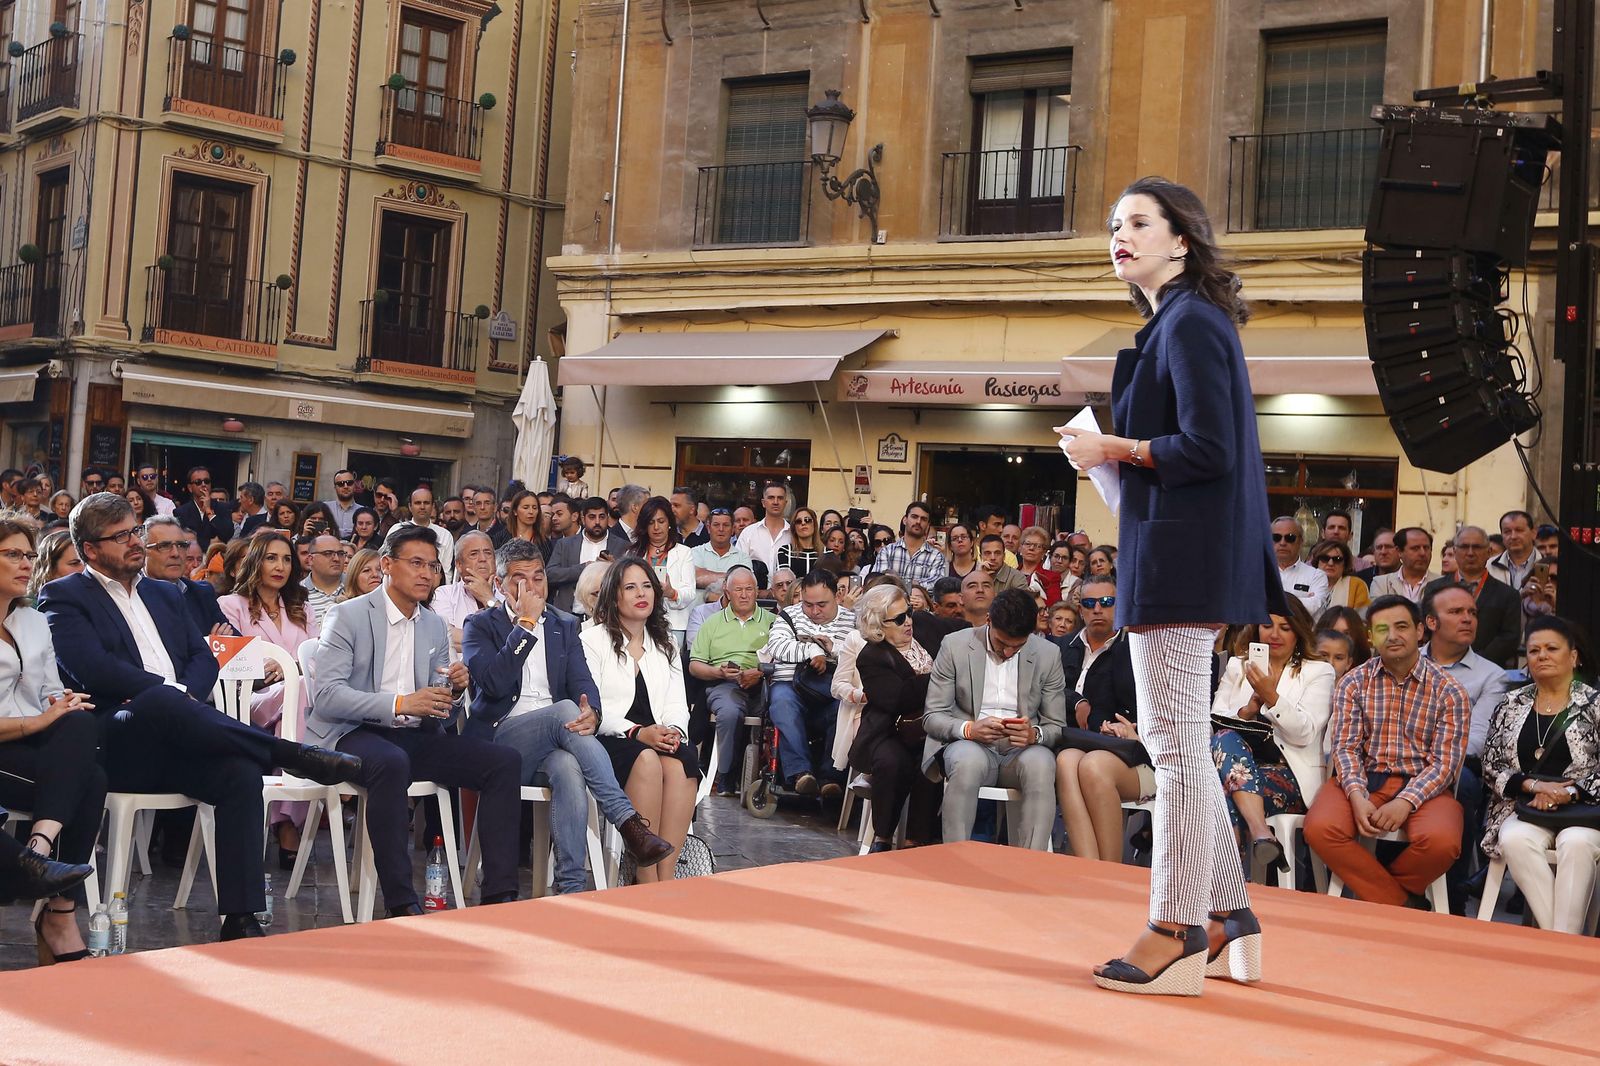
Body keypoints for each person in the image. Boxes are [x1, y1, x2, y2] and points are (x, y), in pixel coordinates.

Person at [1057, 177, 1283, 995]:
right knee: (1179, 745)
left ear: (1181, 240)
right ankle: (1227, 914)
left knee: (1179, 753)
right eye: (1115, 224)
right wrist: (1117, 451)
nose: (1120, 235)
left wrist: (1115, 450)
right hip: (1178, 555)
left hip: (1184, 562)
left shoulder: (1188, 320)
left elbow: (1209, 448)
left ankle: (1177, 926)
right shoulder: (1177, 322)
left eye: (1140, 223)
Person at [39, 493, 361, 940]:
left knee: (238, 774)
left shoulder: (164, 593)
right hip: (118, 739)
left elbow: (203, 654)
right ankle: (290, 753)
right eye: (121, 536)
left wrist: (184, 696)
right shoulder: (63, 595)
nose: (135, 542)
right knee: (156, 699)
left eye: (135, 531)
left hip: (183, 732)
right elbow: (92, 668)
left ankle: (241, 918)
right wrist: (171, 695)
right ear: (90, 550)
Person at [307, 525, 521, 916]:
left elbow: (439, 708)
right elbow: (328, 696)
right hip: (352, 731)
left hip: (413, 733)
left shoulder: (434, 624)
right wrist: (402, 702)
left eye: (433, 566)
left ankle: (499, 897)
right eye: (416, 563)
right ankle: (402, 903)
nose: (426, 573)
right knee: (391, 762)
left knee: (502, 761)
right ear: (387, 564)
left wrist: (454, 690)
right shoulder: (348, 615)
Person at [462, 541, 674, 893]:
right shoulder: (480, 625)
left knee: (568, 767)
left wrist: (592, 714)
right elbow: (493, 684)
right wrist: (525, 626)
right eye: (520, 579)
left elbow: (583, 687)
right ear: (499, 585)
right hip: (501, 742)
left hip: (556, 743)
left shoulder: (564, 624)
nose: (532, 588)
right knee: (564, 710)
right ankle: (627, 821)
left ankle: (570, 887)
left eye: (539, 578)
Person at [1304, 595, 1468, 909]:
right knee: (1320, 828)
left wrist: (1406, 801)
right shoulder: (1354, 682)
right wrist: (1355, 794)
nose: (1392, 636)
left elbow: (1446, 763)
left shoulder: (1449, 689)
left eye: (1402, 626)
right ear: (1371, 637)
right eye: (1382, 629)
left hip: (1424, 785)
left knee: (1442, 843)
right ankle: (1403, 903)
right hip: (1364, 777)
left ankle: (1384, 896)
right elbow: (1345, 746)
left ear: (1421, 631)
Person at [0, 514, 107, 963]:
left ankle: (38, 850)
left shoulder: (31, 620)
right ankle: (58, 914)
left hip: (31, 740)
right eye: (11, 554)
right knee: (92, 780)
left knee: (82, 721)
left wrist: (61, 701)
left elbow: (45, 688)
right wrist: (40, 723)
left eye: (29, 554)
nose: (26, 563)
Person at [581, 559, 700, 882]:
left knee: (682, 763)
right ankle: (645, 880)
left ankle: (667, 875)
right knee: (646, 760)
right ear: (613, 596)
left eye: (646, 586)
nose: (641, 594)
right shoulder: (593, 640)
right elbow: (594, 707)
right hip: (612, 737)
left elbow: (677, 703)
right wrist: (637, 732)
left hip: (657, 734)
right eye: (630, 587)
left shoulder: (666, 644)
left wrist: (673, 731)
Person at [1479, 615, 1600, 934]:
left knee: (1576, 843)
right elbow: (1490, 766)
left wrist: (1569, 792)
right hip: (1524, 807)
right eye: (1534, 650)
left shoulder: (1595, 704)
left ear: (1573, 656)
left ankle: (1557, 942)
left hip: (1585, 811)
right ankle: (1565, 942)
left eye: (1551, 648)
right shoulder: (1510, 703)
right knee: (1514, 839)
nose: (1542, 655)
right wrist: (1534, 786)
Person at [923, 588, 1064, 850]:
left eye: (1018, 646)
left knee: (1042, 763)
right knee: (966, 761)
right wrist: (968, 730)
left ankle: (1030, 865)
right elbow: (932, 716)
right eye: (1002, 643)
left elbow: (1056, 726)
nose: (1009, 652)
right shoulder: (954, 645)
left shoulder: (1048, 654)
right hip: (970, 744)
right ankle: (955, 860)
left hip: (1021, 751)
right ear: (988, 620)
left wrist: (1035, 734)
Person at [1209, 600, 1335, 883]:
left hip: (1289, 773)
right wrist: (1248, 711)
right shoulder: (1237, 667)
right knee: (1225, 738)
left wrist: (1271, 697)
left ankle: (1225, 892)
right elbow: (1216, 721)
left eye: (1285, 628)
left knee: (1220, 795)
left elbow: (1304, 733)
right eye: (1267, 626)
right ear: (1256, 628)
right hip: (1239, 766)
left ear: (1298, 632)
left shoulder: (1318, 672)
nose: (1274, 634)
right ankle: (1261, 834)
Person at [217, 530, 320, 870]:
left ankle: (286, 817)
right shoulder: (231, 605)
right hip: (247, 700)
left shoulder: (302, 608)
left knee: (301, 691)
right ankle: (289, 821)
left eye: (287, 559)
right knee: (301, 691)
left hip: (297, 703)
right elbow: (228, 664)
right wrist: (276, 670)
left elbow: (318, 657)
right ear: (255, 562)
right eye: (271, 558)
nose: (280, 566)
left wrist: (288, 666)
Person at [1418, 582, 1512, 910]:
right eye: (1456, 612)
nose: (1468, 619)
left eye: (1472, 612)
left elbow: (1474, 740)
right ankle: (1400, 889)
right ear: (1431, 622)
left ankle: (1452, 896)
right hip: (1396, 762)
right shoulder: (1405, 661)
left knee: (1464, 787)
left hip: (1455, 769)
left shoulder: (1491, 676)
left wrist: (1419, 755)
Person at [1055, 575, 1150, 865]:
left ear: (1119, 607)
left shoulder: (1137, 649)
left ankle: (1109, 869)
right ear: (1080, 609)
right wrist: (1078, 702)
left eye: (1107, 602)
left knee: (1092, 765)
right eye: (1089, 603)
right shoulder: (1061, 647)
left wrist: (1131, 728)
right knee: (1067, 760)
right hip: (1081, 743)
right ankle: (1089, 867)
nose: (1098, 609)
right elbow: (1047, 690)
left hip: (1137, 751)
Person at [851, 585, 942, 851]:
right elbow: (897, 699)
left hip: (931, 726)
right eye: (900, 618)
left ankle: (917, 840)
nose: (909, 622)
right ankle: (883, 837)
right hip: (890, 729)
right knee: (892, 761)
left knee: (933, 759)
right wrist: (937, 678)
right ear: (879, 624)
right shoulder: (871, 656)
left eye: (909, 613)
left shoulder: (925, 631)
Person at [761, 567, 856, 797]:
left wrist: (832, 649)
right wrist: (812, 650)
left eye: (821, 605)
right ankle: (800, 774)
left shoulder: (854, 621)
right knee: (782, 702)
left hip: (833, 689)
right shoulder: (790, 615)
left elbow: (863, 651)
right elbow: (777, 646)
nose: (814, 611)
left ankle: (831, 777)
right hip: (791, 686)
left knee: (845, 709)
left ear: (838, 596)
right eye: (808, 604)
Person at [687, 567, 775, 792]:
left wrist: (760, 672)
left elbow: (784, 660)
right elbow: (694, 665)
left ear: (757, 591)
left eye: (749, 589)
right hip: (724, 682)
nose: (744, 595)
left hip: (765, 681)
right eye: (738, 589)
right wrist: (719, 672)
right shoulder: (712, 623)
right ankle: (725, 775)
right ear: (727, 591)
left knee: (782, 707)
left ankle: (774, 779)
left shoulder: (774, 622)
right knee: (728, 711)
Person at [1423, 526, 1522, 668]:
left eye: (1476, 547)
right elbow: (1428, 627)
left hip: (1488, 669)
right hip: (1440, 666)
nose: (1470, 553)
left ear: (1489, 552)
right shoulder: (1435, 588)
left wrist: (1475, 662)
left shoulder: (1507, 594)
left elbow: (1509, 637)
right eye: (1464, 547)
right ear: (1455, 552)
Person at [142, 517, 229, 639]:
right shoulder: (131, 595)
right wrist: (209, 644)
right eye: (164, 546)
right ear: (143, 551)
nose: (175, 553)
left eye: (181, 545)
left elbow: (237, 643)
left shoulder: (202, 593)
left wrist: (217, 646)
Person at [631, 496, 695, 648]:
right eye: (651, 522)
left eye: (661, 521)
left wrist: (671, 592)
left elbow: (690, 593)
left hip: (673, 624)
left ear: (670, 524)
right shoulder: (633, 553)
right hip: (637, 621)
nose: (656, 527)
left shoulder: (684, 552)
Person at [548, 497, 628, 613]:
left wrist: (613, 567)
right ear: (583, 518)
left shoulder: (623, 546)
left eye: (601, 517)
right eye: (592, 517)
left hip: (608, 615)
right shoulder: (565, 544)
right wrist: (584, 568)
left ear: (607, 517)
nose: (597, 522)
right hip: (570, 614)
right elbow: (550, 574)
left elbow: (630, 580)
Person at [433, 531, 498, 653]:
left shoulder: (509, 593)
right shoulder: (443, 595)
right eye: (474, 554)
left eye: (488, 553)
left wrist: (489, 599)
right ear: (458, 564)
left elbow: (518, 636)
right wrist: (499, 641)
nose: (483, 559)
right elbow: (446, 636)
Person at [868, 502, 949, 588]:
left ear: (928, 525)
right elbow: (879, 582)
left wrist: (898, 582)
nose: (918, 521)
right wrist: (915, 584)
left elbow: (936, 585)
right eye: (914, 517)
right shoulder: (887, 551)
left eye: (923, 519)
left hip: (920, 601)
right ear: (905, 520)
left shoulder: (936, 556)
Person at [692, 508, 755, 601]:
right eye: (716, 525)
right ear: (709, 528)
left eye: (726, 525)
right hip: (698, 613)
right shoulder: (693, 553)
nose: (721, 529)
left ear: (733, 529)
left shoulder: (743, 557)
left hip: (730, 614)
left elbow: (745, 584)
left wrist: (705, 574)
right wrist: (733, 578)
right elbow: (694, 578)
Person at [1271, 517, 1327, 617]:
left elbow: (1313, 607)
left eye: (1290, 538)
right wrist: (1301, 601)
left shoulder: (1317, 576)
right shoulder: (1257, 575)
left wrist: (1270, 600)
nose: (1283, 543)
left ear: (1301, 542)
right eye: (1276, 537)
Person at [399, 486, 455, 582]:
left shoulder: (445, 535)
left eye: (426, 503)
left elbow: (446, 572)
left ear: (433, 506)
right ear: (410, 506)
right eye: (417, 503)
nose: (422, 507)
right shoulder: (397, 530)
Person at [736, 482, 791, 578]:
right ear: (763, 503)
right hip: (755, 590)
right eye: (771, 498)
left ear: (785, 503)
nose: (775, 502)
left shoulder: (793, 534)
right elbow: (739, 568)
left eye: (780, 498)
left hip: (785, 590)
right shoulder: (748, 533)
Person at [173, 466, 231, 551]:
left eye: (206, 481)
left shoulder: (222, 507)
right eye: (198, 482)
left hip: (216, 557)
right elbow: (181, 539)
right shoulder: (181, 512)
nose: (203, 485)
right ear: (190, 488)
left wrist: (209, 511)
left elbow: (227, 534)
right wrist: (210, 543)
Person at [300, 533, 346, 627]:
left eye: (340, 554)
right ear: (310, 559)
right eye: (328, 554)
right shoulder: (297, 593)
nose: (336, 559)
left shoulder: (357, 585)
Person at [24, 529, 82, 605]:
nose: (84, 569)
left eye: (87, 563)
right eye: (74, 563)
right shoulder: (27, 608)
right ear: (49, 569)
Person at [1488, 510, 1538, 597]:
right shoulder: (1489, 566)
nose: (1513, 536)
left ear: (1533, 533)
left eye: (1519, 530)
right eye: (1507, 532)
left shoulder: (1548, 565)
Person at [1311, 538, 1368, 612]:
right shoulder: (1306, 581)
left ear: (1345, 564)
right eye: (1325, 558)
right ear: (1317, 561)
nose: (1330, 563)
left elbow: (1362, 620)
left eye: (1337, 559)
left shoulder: (1357, 585)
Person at [1016, 526, 1062, 606]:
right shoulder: (1011, 574)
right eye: (1027, 544)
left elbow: (1055, 607)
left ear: (1044, 553)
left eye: (1038, 546)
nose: (1031, 548)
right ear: (1020, 548)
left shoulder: (1051, 577)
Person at [776, 507, 824, 581]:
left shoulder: (826, 552)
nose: (803, 523)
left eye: (807, 520)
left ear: (814, 524)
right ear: (794, 528)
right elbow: (784, 582)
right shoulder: (785, 551)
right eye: (798, 521)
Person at [320, 470, 363, 538]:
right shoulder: (324, 508)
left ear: (354, 485)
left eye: (349, 483)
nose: (345, 486)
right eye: (341, 484)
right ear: (335, 487)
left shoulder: (363, 511)